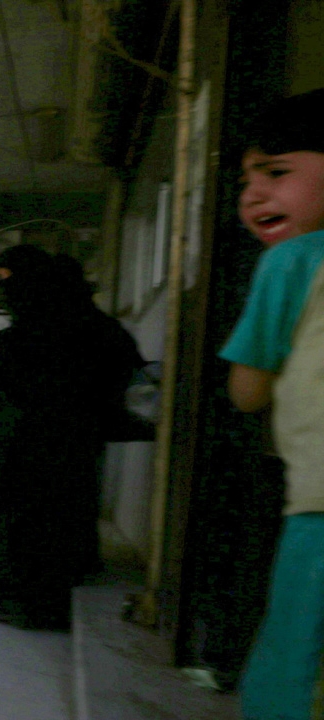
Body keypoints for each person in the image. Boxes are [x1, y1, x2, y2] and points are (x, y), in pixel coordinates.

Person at [217, 88, 324, 720]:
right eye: (247, 180)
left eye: (276, 173)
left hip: (319, 507)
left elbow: (247, 390)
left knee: (292, 671)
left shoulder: (291, 262)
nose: (254, 195)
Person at [0, 244, 136, 630]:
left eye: (9, 279)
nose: (6, 289)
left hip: (45, 441)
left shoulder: (58, 321)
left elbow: (40, 372)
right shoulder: (66, 316)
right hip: (52, 438)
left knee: (34, 518)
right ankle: (25, 594)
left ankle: (33, 602)